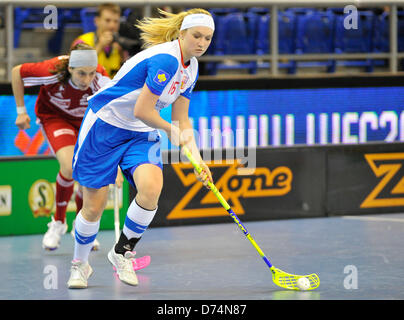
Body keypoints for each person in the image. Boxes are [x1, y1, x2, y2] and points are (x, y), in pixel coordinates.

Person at [67, 8, 215, 289]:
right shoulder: (165, 60)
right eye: (197, 36)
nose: (202, 43)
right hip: (106, 125)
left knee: (151, 188)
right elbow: (143, 109)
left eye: (207, 38)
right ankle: (80, 264)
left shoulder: (191, 68)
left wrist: (198, 161)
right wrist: (171, 130)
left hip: (140, 132)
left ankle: (122, 252)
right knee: (94, 207)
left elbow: (182, 119)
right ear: (182, 34)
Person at [12, 43, 112, 251]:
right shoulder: (51, 70)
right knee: (68, 168)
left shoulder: (101, 79)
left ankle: (81, 225)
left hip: (85, 121)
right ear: (70, 69)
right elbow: (16, 72)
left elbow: (116, 107)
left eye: (91, 73)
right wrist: (21, 111)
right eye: (81, 74)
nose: (86, 80)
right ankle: (58, 222)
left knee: (86, 171)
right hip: (55, 118)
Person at [72, 3, 124, 77]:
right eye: (107, 20)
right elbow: (75, 69)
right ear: (97, 21)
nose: (112, 25)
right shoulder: (82, 41)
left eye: (116, 21)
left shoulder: (121, 44)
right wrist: (100, 46)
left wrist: (122, 54)